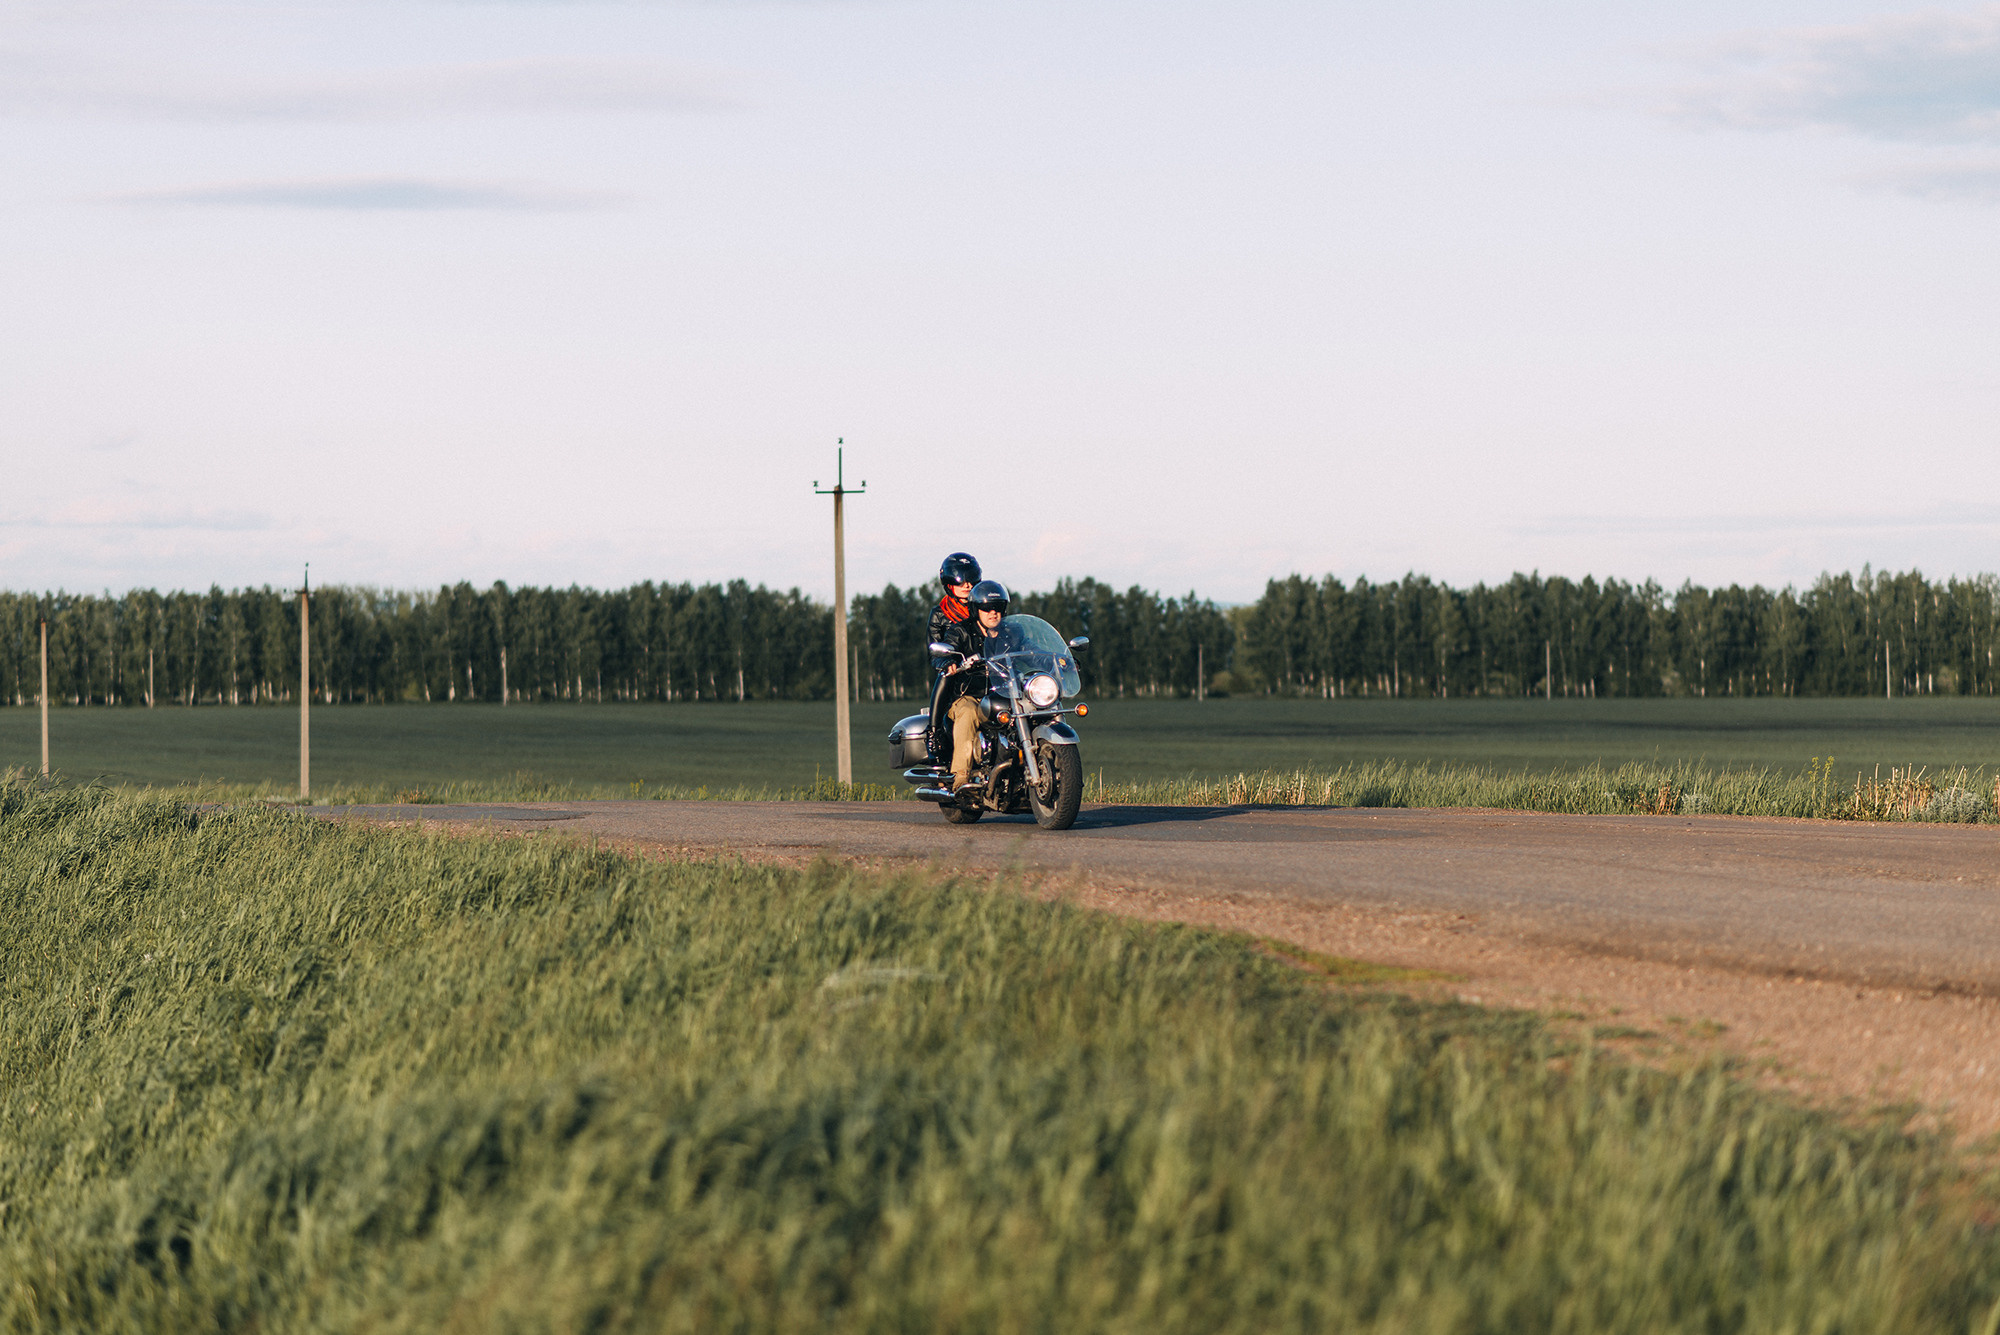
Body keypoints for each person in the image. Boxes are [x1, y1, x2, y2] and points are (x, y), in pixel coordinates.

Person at [938, 579, 1011, 793]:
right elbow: (947, 649)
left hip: (1003, 695)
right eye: (986, 608)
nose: (992, 613)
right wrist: (947, 661)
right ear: (975, 609)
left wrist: (1057, 661)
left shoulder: (1011, 633)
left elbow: (1030, 649)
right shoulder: (961, 631)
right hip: (968, 696)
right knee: (969, 712)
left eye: (997, 608)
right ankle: (961, 776)